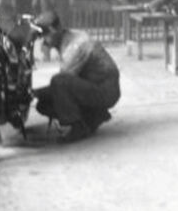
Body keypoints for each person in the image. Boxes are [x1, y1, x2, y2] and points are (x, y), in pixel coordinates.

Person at [32, 11, 121, 143]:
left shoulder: (74, 46)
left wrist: (32, 93)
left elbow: (62, 84)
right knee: (44, 105)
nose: (42, 40)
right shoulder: (68, 36)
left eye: (44, 34)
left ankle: (77, 126)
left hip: (106, 89)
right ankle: (95, 115)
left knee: (58, 82)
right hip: (96, 84)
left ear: (52, 30)